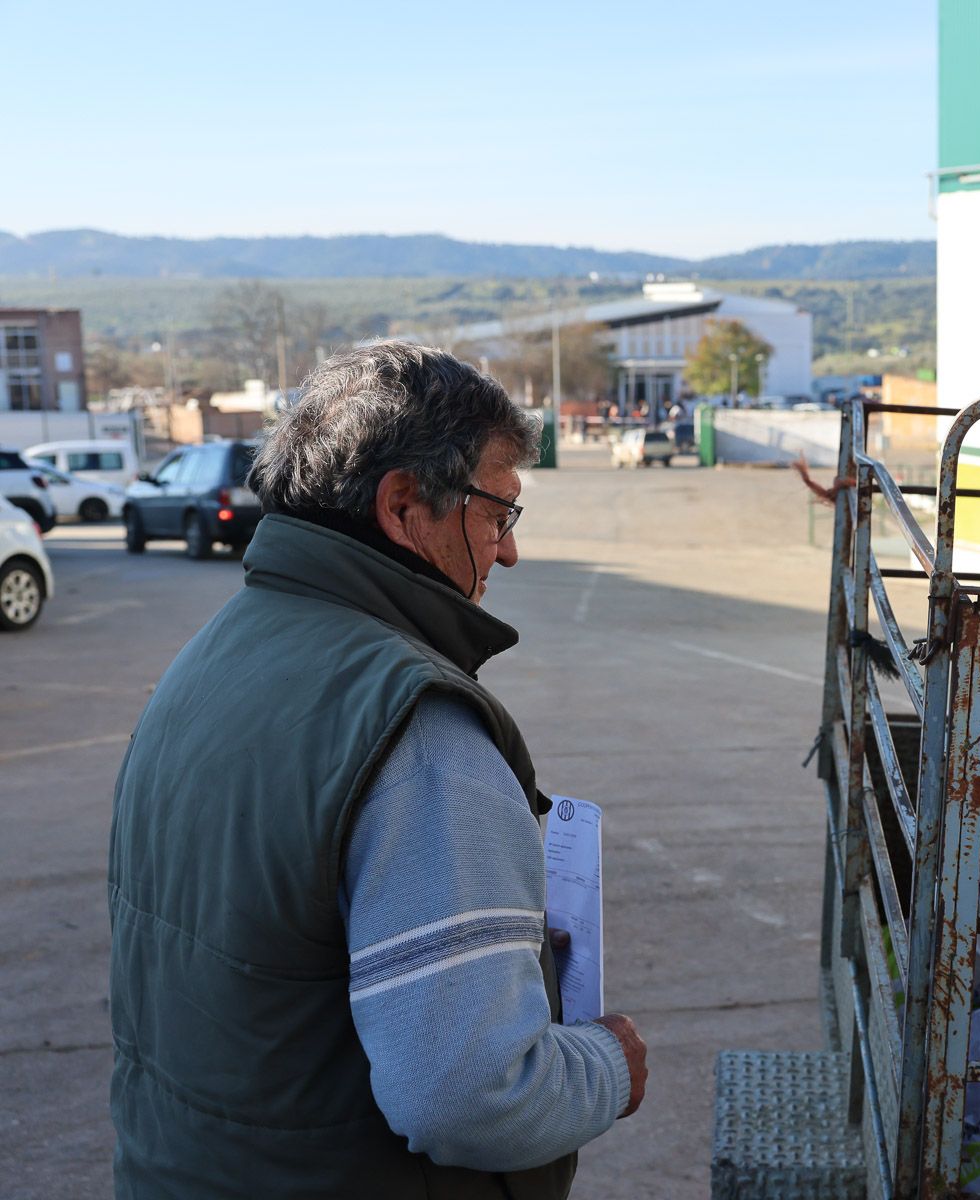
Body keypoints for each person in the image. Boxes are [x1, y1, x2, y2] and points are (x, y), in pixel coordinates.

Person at [109, 342, 649, 1198]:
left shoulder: (211, 657)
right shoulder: (419, 732)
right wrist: (606, 1065)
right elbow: (471, 1098)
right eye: (497, 513)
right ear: (403, 506)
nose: (508, 552)